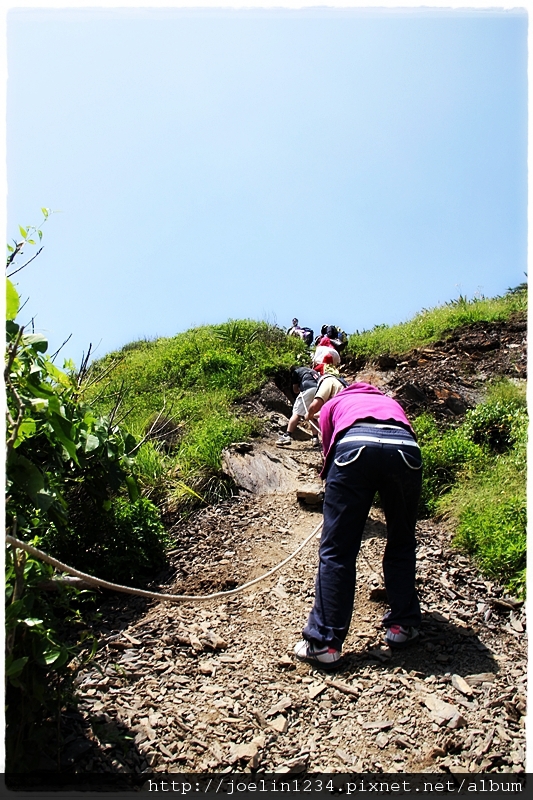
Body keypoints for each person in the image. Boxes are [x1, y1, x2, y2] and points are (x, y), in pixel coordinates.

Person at [293, 382, 422, 668]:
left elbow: (329, 453)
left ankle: (324, 643)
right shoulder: (391, 403)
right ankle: (402, 626)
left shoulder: (333, 404)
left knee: (337, 549)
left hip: (354, 447)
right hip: (405, 451)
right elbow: (407, 432)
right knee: (401, 539)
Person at [276, 366, 320, 446]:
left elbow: (295, 390)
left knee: (296, 413)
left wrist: (299, 389)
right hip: (319, 391)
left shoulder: (296, 372)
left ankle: (287, 436)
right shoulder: (312, 371)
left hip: (307, 390)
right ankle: (315, 438)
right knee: (312, 414)